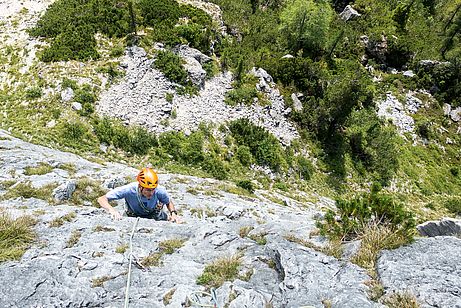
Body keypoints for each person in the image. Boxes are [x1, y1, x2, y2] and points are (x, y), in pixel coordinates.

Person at [97, 167, 181, 223]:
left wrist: (173, 213)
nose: (151, 193)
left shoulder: (159, 190)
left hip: (154, 215)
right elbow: (102, 199)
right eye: (148, 190)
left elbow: (168, 201)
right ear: (140, 187)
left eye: (153, 190)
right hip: (132, 216)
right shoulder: (129, 189)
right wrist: (112, 210)